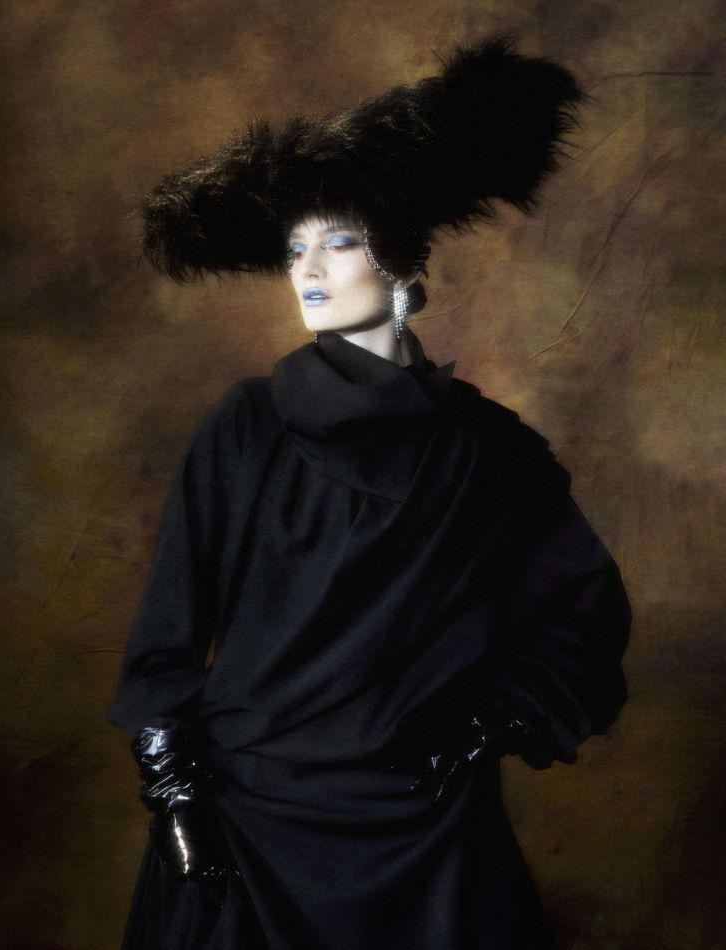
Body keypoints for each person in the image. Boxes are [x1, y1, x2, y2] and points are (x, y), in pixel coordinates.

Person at [109, 37, 630, 949]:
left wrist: (485, 717)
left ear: (400, 264)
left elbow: (580, 621)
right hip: (246, 823)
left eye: (338, 242)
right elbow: (165, 637)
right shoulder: (245, 426)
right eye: (293, 248)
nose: (307, 270)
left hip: (425, 834)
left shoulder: (492, 454)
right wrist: (177, 795)